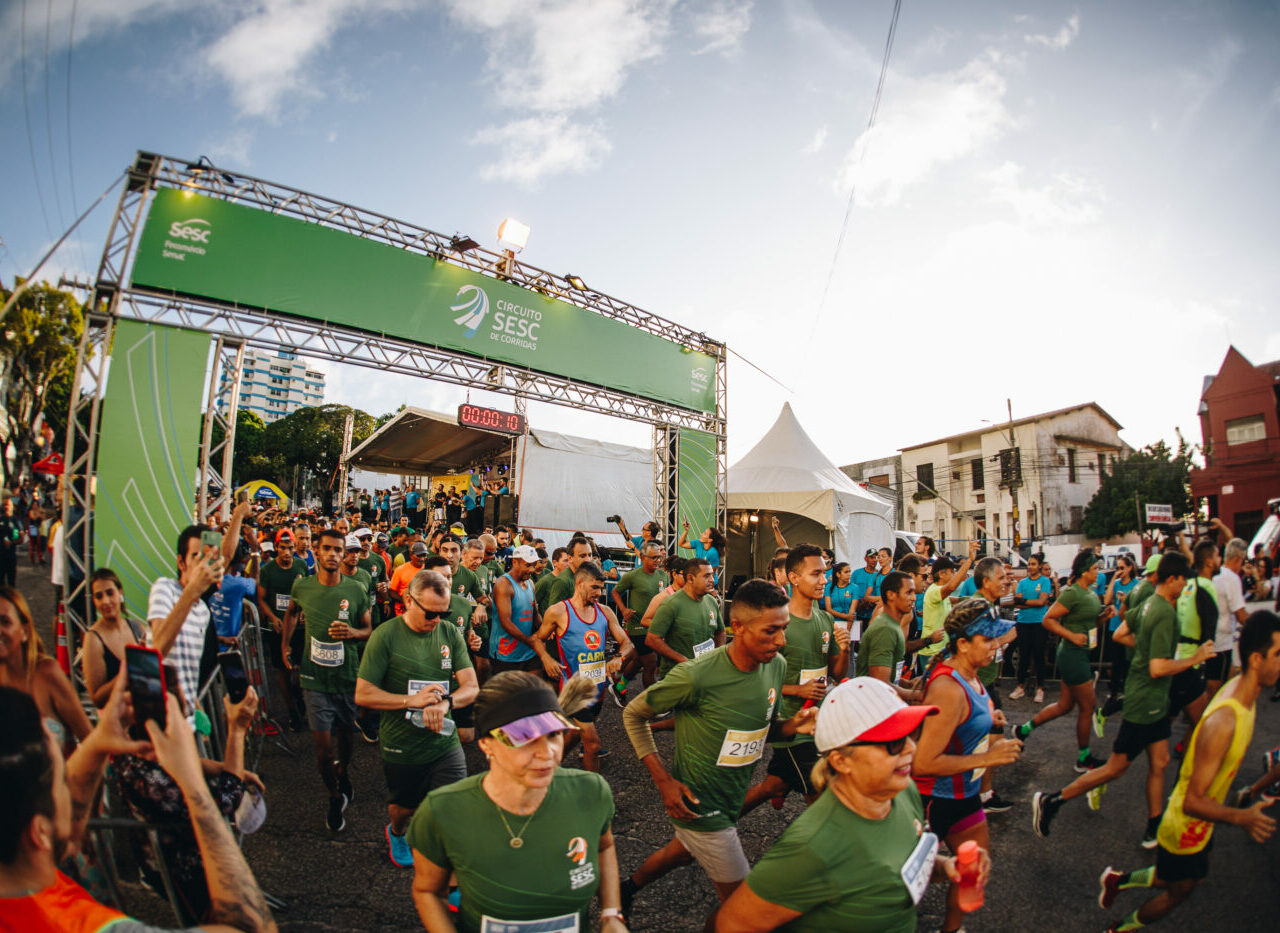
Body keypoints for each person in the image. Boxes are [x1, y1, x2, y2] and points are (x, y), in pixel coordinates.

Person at [714, 675, 993, 932]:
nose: (911, 748)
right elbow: (732, 923)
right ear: (841, 760)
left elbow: (898, 865)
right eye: (894, 743)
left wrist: (948, 868)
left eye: (912, 733)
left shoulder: (903, 791)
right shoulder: (814, 846)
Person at [0, 677, 277, 932]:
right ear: (39, 833)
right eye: (62, 780)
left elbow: (62, 830)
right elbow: (250, 928)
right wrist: (194, 782)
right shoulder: (79, 925)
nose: (70, 784)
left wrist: (96, 743)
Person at [621, 580, 819, 919]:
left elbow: (757, 728)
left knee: (680, 853)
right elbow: (632, 714)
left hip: (731, 800)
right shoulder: (695, 675)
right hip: (700, 808)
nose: (781, 642)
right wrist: (664, 782)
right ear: (737, 627)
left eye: (784, 630)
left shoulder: (777, 666)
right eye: (771, 631)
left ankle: (625, 889)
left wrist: (793, 726)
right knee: (744, 913)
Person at [1097, 611, 1280, 932]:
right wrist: (1242, 817)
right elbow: (1192, 802)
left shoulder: (1246, 692)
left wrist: (1246, 796)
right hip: (1185, 824)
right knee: (1179, 890)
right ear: (1256, 658)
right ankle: (1115, 929)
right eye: (1278, 654)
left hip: (1204, 821)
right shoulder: (1225, 720)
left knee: (1183, 875)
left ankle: (1118, 880)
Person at [406, 671, 625, 932]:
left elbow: (604, 847)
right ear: (486, 744)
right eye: (524, 738)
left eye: (553, 735)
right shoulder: (442, 811)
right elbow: (428, 891)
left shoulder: (591, 791)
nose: (547, 754)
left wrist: (611, 915)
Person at [1032, 552, 1214, 848]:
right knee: (1116, 767)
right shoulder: (1164, 612)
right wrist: (1195, 657)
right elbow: (1158, 667)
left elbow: (1121, 635)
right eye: (1184, 580)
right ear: (1173, 579)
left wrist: (1144, 650)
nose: (1185, 587)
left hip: (1152, 697)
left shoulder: (1148, 603)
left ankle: (1154, 824)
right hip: (1145, 701)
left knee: (1161, 760)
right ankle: (1053, 800)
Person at [913, 599, 1022, 933]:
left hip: (966, 795)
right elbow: (924, 762)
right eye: (987, 640)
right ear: (962, 644)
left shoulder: (971, 677)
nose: (995, 646)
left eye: (995, 638)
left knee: (974, 870)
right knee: (906, 883)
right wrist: (987, 758)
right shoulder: (949, 689)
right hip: (932, 800)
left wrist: (988, 719)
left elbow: (964, 722)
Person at [356, 569, 478, 868]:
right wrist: (409, 701)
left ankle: (451, 882)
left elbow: (471, 686)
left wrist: (447, 703)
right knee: (403, 809)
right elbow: (362, 694)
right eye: (431, 614)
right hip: (402, 744)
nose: (437, 620)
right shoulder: (385, 635)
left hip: (443, 742)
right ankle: (396, 833)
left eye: (444, 613)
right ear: (409, 601)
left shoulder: (449, 632)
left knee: (455, 808)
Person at [742, 544, 850, 812]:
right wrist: (797, 690)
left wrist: (845, 649)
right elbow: (754, 676)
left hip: (819, 725)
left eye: (825, 573)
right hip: (789, 727)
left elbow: (838, 673)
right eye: (816, 574)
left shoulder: (825, 620)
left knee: (773, 786)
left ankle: (716, 827)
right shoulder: (778, 620)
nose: (824, 580)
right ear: (794, 578)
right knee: (823, 797)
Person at [281, 528, 373, 832]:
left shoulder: (356, 590)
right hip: (313, 679)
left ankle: (344, 772)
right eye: (328, 549)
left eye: (339, 549)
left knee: (346, 739)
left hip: (346, 678)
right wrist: (285, 644)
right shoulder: (303, 587)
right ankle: (334, 797)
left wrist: (353, 634)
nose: (334, 554)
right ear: (316, 553)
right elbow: (291, 613)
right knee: (323, 749)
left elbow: (368, 629)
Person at [1015, 549, 1115, 773]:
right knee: (1087, 707)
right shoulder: (1072, 593)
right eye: (1095, 569)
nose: (1098, 573)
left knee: (1065, 705)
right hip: (1071, 655)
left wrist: (1103, 618)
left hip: (1081, 653)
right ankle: (1083, 758)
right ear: (1083, 571)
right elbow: (1048, 620)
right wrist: (1071, 636)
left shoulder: (1089, 592)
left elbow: (1087, 624)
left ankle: (1024, 729)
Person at [533, 561, 633, 771]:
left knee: (575, 734)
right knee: (593, 744)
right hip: (573, 690)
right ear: (579, 583)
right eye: (594, 587)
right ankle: (592, 796)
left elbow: (627, 643)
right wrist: (547, 659)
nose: (600, 592)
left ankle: (545, 769)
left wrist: (618, 658)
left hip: (597, 688)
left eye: (602, 587)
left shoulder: (605, 612)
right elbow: (537, 639)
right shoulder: (559, 611)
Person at [0, 585, 92, 751]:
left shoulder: (45, 673)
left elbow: (90, 740)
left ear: (24, 631)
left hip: (62, 775)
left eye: (5, 622)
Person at [148, 525, 224, 716]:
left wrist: (196, 711)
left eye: (208, 557)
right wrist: (192, 591)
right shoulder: (164, 588)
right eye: (196, 557)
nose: (202, 565)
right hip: (160, 717)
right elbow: (157, 649)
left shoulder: (203, 611)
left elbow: (188, 672)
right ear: (181, 563)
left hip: (186, 719)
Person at [258, 528, 310, 732]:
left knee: (298, 670)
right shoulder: (268, 570)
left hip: (299, 628)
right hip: (277, 629)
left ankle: (299, 697)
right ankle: (292, 713)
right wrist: (272, 618)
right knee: (281, 670)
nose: (287, 552)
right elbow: (260, 599)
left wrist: (304, 609)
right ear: (276, 548)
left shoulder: (301, 565)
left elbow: (305, 591)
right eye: (282, 548)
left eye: (290, 548)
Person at [81, 568, 150, 708]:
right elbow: (97, 699)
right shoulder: (93, 639)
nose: (106, 601)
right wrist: (129, 671)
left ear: (120, 593)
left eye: (110, 593)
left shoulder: (137, 628)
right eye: (99, 596)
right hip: (117, 721)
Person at [646, 558, 724, 678]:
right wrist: (682, 660)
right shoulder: (671, 604)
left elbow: (720, 631)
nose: (712, 580)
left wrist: (716, 656)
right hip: (677, 676)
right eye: (706, 576)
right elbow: (652, 639)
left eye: (712, 576)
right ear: (690, 578)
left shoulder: (711, 601)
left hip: (703, 673)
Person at [612, 542, 669, 698]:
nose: (658, 560)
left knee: (638, 660)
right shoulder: (632, 576)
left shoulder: (663, 576)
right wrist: (623, 610)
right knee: (650, 663)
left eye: (659, 557)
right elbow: (615, 592)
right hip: (638, 627)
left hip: (655, 626)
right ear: (643, 558)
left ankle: (619, 686)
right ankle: (653, 704)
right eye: (653, 557)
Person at [917, 543, 979, 674]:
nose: (954, 575)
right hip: (932, 651)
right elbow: (951, 587)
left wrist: (978, 599)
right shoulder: (935, 591)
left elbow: (955, 600)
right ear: (941, 573)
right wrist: (969, 560)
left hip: (941, 650)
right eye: (952, 572)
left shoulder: (941, 594)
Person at [1096, 554, 1141, 725]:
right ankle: (1115, 691)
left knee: (1129, 661)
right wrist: (1114, 578)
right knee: (1116, 661)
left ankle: (1128, 691)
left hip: (1129, 627)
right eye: (1118, 568)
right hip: (1115, 628)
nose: (1120, 571)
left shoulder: (1136, 585)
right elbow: (1107, 600)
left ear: (1130, 568)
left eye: (1122, 568)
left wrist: (1126, 601)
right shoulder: (1115, 584)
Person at [855, 571, 913, 695]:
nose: (914, 598)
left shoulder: (891, 624)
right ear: (891, 595)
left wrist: (908, 684)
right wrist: (917, 695)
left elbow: (887, 675)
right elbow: (880, 684)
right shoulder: (885, 629)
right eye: (908, 593)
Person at [490, 544, 544, 673]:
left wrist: (543, 630)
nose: (531, 569)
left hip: (528, 651)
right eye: (527, 565)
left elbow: (535, 613)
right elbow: (505, 622)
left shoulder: (530, 583)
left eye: (534, 565)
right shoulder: (504, 584)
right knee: (509, 691)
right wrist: (529, 641)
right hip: (506, 653)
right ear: (514, 562)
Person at [1011, 552, 1054, 703]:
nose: (1030, 567)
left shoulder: (1045, 581)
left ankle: (1040, 687)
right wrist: (1028, 601)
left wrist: (1024, 601)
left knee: (1039, 655)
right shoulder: (1022, 582)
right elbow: (1016, 602)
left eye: (1033, 564)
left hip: (1039, 622)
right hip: (1023, 622)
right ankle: (1020, 686)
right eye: (1029, 564)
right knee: (1024, 655)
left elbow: (1041, 602)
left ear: (1040, 566)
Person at [1209, 537, 1251, 695]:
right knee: (1216, 688)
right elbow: (1241, 615)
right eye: (1243, 560)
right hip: (1222, 641)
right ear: (1237, 559)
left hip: (1212, 638)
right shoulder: (1232, 579)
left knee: (1230, 680)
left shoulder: (1215, 574)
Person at [390, 541, 429, 612]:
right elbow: (392, 591)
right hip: (402, 611)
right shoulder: (400, 570)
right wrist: (407, 601)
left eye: (424, 555)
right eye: (419, 555)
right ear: (411, 555)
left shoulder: (428, 570)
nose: (422, 559)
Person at [0, 494, 20, 587]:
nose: (6, 507)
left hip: (11, 557)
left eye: (8, 505)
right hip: (1, 557)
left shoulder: (14, 520)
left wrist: (12, 542)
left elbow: (19, 538)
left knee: (11, 583)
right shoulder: (1, 519)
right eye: (4, 505)